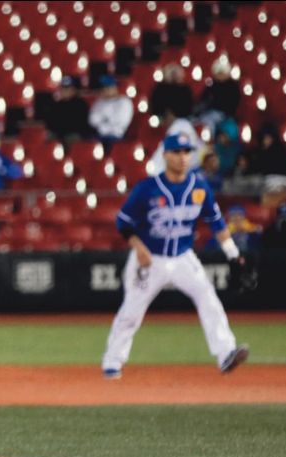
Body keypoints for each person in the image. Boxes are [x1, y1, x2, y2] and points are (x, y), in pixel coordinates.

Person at [101, 133, 250, 379]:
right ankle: (112, 362)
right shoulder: (147, 189)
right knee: (131, 312)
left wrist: (233, 255)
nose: (183, 157)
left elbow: (216, 223)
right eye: (177, 152)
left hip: (182, 256)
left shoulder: (199, 187)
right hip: (151, 257)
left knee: (208, 298)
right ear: (165, 155)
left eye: (186, 152)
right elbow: (123, 223)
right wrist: (138, 247)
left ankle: (226, 354)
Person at [88, 75, 134, 152]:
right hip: (99, 135)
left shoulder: (124, 102)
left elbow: (120, 122)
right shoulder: (99, 102)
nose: (106, 90)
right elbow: (92, 120)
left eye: (109, 87)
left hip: (117, 136)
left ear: (115, 88)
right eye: (104, 88)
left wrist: (102, 121)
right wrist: (106, 120)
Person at [46, 75, 92, 145]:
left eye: (68, 88)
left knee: (72, 138)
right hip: (58, 133)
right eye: (63, 88)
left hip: (73, 134)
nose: (65, 91)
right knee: (49, 138)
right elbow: (50, 123)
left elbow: (81, 124)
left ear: (74, 90)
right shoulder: (56, 105)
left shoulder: (80, 104)